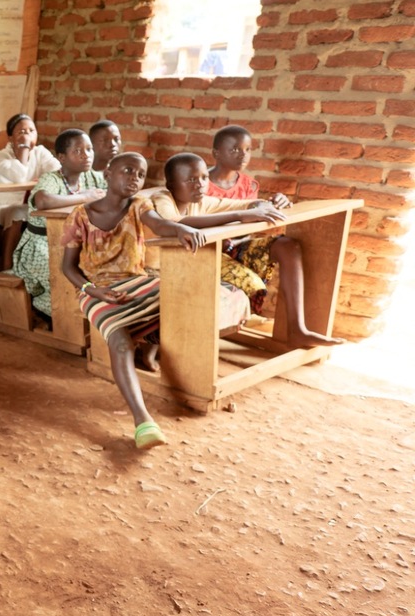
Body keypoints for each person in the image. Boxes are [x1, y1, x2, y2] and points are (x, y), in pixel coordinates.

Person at [60, 152, 206, 450]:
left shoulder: (139, 205)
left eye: (140, 174)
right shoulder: (79, 215)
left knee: (188, 300)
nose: (134, 178)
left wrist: (181, 228)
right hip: (97, 290)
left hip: (138, 281)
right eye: (128, 171)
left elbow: (160, 224)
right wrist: (92, 290)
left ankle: (155, 351)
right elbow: (67, 267)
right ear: (108, 173)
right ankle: (143, 421)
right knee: (121, 341)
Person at [155, 152, 343, 347]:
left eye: (204, 178)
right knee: (245, 284)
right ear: (171, 184)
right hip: (177, 263)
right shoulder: (162, 198)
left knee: (287, 246)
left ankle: (298, 329)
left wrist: (268, 203)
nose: (200, 184)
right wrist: (239, 215)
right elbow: (175, 223)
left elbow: (244, 205)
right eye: (191, 179)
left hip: (214, 253)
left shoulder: (202, 201)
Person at [9, 129, 106, 319]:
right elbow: (43, 200)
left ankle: (87, 316)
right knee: (63, 280)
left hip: (74, 245)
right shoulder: (51, 178)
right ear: (61, 157)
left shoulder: (91, 177)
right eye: (78, 151)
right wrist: (85, 197)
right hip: (41, 246)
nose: (86, 155)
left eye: (89, 149)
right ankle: (57, 315)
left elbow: (113, 190)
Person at [0, 113, 62, 270]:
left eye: (31, 131)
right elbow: (19, 176)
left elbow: (58, 172)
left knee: (33, 212)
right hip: (1, 207)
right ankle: (7, 267)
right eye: (21, 132)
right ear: (10, 138)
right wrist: (24, 147)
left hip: (30, 207)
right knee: (17, 213)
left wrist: (41, 181)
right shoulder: (2, 155)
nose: (27, 135)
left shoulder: (41, 152)